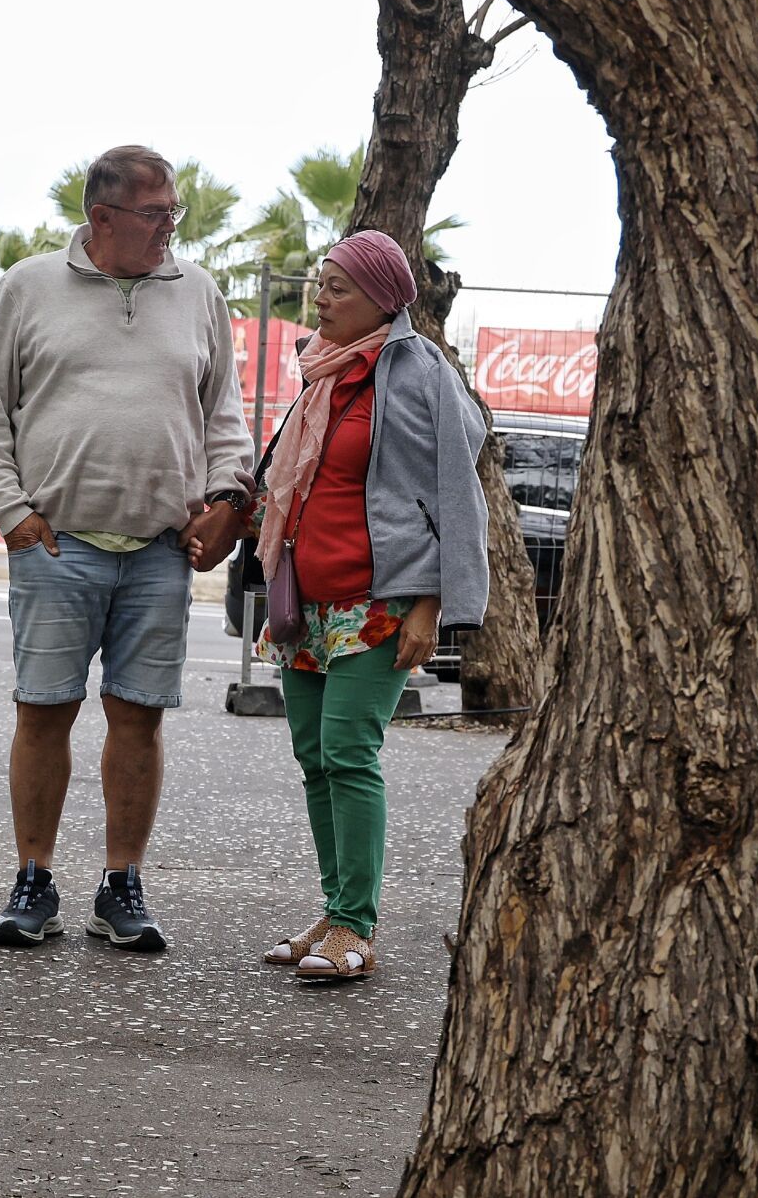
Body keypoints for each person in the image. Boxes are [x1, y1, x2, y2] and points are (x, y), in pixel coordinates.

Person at [0, 144, 254, 953]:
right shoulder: (27, 287)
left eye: (173, 212)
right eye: (155, 213)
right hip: (56, 547)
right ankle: (34, 878)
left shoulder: (198, 292)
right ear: (102, 216)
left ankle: (121, 883)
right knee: (43, 711)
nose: (170, 227)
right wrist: (15, 517)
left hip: (161, 548)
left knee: (138, 719)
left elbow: (225, 417)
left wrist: (227, 500)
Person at [249, 230, 489, 981]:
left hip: (379, 601)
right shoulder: (322, 369)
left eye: (339, 287)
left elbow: (455, 490)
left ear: (382, 299)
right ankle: (334, 911)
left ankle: (356, 924)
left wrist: (431, 604)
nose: (321, 297)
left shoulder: (420, 372)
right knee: (314, 758)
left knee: (349, 751)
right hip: (305, 600)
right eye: (320, 282)